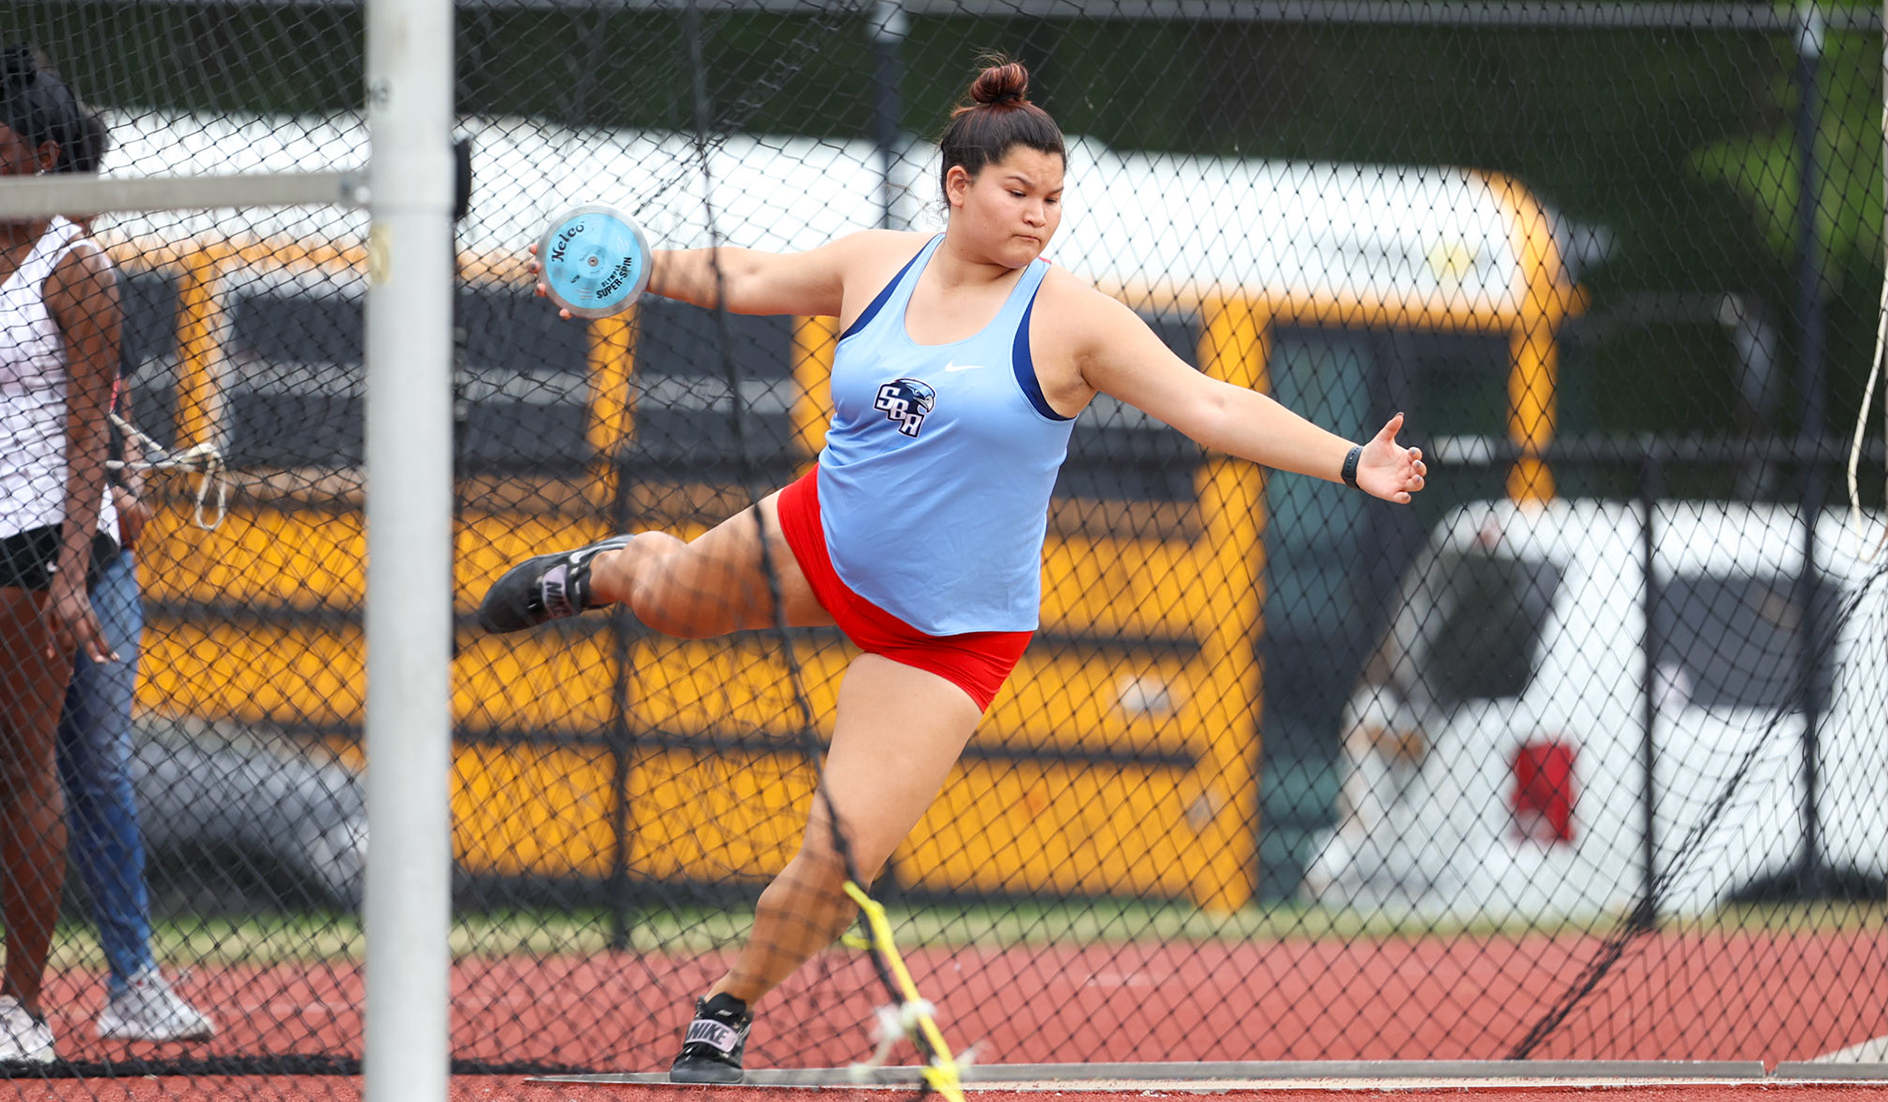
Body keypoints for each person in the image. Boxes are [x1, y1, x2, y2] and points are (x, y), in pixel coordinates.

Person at [479, 58, 1428, 1083]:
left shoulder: (1073, 320)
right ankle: (609, 570)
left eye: (1055, 198)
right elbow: (747, 279)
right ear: (959, 185)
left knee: (839, 860)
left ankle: (726, 1006)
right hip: (821, 537)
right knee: (664, 604)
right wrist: (631, 264)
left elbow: (1213, 405)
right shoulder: (873, 264)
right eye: (1019, 192)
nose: (1039, 216)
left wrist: (1347, 458)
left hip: (946, 633)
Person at [51, 100, 215, 1044]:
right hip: (22, 555)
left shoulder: (94, 278)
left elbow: (100, 436)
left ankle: (133, 981)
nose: (96, 203)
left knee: (101, 771)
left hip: (102, 561)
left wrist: (126, 493)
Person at [0, 44, 121, 1063]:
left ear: (41, 156)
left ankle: (22, 1005)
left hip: (35, 534)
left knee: (22, 762)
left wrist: (73, 573)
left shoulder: (73, 268)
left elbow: (93, 434)